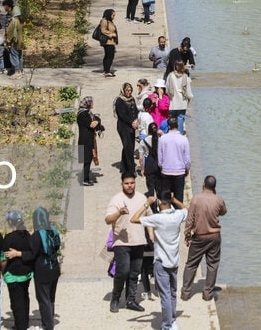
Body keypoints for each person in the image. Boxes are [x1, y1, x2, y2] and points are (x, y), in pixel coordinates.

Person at [132, 192, 187, 330]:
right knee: (173, 292)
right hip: (174, 261)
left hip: (161, 262)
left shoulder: (156, 218)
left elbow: (134, 219)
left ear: (158, 203)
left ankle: (167, 325)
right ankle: (172, 320)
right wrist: (176, 200)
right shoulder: (177, 216)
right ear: (170, 201)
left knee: (165, 295)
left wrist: (147, 204)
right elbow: (187, 209)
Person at [105, 175, 148, 314]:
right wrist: (119, 212)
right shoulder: (116, 200)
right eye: (126, 183)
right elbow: (107, 219)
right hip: (121, 242)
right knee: (123, 271)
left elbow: (149, 216)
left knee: (135, 272)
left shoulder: (142, 198)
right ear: (122, 184)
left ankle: (131, 300)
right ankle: (115, 298)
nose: (129, 186)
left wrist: (152, 235)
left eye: (132, 183)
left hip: (139, 241)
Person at [181, 176, 227, 302]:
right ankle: (207, 294)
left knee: (191, 264)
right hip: (214, 236)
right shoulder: (219, 200)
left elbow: (190, 219)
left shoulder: (196, 199)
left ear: (203, 185)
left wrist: (187, 234)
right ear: (214, 187)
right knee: (212, 265)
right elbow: (223, 212)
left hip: (199, 237)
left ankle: (185, 293)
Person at [25, 208, 60, 330]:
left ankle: (47, 326)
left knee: (43, 298)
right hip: (54, 268)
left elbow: (31, 254)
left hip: (42, 270)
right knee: (51, 298)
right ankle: (49, 321)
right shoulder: (53, 230)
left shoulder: (36, 235)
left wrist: (19, 254)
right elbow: (57, 246)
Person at [0, 211, 33, 330]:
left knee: (16, 301)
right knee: (25, 298)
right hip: (27, 273)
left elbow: (3, 259)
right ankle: (25, 322)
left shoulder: (9, 238)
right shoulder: (28, 235)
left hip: (13, 275)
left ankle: (20, 326)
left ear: (10, 222)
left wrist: (2, 272)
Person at [159, 117, 191, 202]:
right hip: (179, 172)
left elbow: (160, 157)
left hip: (166, 171)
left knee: (166, 197)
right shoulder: (184, 139)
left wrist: (161, 166)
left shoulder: (163, 139)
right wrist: (187, 169)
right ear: (178, 125)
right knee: (179, 196)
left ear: (168, 126)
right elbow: (187, 158)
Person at [76, 96, 102, 186]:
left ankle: (85, 177)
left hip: (86, 139)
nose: (92, 104)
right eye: (91, 102)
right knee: (87, 159)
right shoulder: (83, 114)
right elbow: (92, 124)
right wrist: (97, 121)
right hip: (85, 140)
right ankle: (85, 180)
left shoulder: (86, 113)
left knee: (88, 159)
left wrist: (97, 122)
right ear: (88, 104)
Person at [115, 83, 139, 178]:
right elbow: (122, 115)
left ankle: (124, 166)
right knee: (128, 147)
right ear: (123, 91)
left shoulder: (132, 99)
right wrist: (131, 122)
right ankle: (131, 169)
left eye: (130, 91)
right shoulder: (119, 101)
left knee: (129, 146)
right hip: (123, 127)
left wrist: (136, 119)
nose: (129, 92)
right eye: (127, 91)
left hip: (132, 126)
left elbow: (135, 110)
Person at [165, 60, 193, 135]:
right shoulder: (185, 77)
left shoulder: (170, 75)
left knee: (172, 118)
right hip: (182, 101)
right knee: (180, 118)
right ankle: (179, 134)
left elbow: (167, 88)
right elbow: (188, 89)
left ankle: (171, 132)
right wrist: (189, 98)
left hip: (173, 100)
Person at [3, 0, 24, 75]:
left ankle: (17, 71)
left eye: (4, 6)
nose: (3, 8)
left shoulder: (13, 20)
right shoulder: (19, 18)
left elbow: (10, 31)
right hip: (20, 40)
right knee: (19, 55)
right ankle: (20, 70)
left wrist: (8, 41)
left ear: (7, 6)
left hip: (14, 41)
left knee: (14, 56)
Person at [99, 9, 118, 78]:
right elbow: (103, 30)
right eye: (113, 15)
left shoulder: (109, 21)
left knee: (109, 56)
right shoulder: (104, 21)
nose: (113, 17)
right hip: (107, 42)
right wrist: (111, 34)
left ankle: (106, 70)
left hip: (111, 42)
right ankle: (107, 71)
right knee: (109, 57)